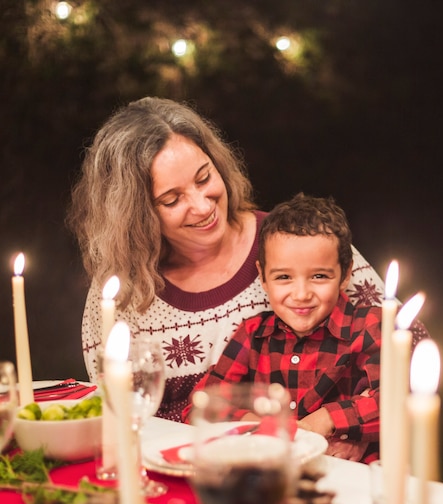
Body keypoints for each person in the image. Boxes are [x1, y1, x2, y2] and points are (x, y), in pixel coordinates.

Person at [67, 96, 388, 424]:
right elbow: (119, 410)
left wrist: (343, 430)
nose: (203, 206)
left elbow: (404, 354)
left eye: (204, 178)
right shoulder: (120, 292)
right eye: (172, 199)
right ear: (136, 215)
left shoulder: (297, 246)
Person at [184, 192, 426, 463]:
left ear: (345, 274)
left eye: (319, 276)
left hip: (355, 480)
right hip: (270, 475)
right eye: (284, 277)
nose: (301, 294)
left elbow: (401, 400)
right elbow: (201, 404)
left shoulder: (371, 326)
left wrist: (326, 420)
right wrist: (264, 426)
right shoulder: (253, 334)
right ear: (263, 277)